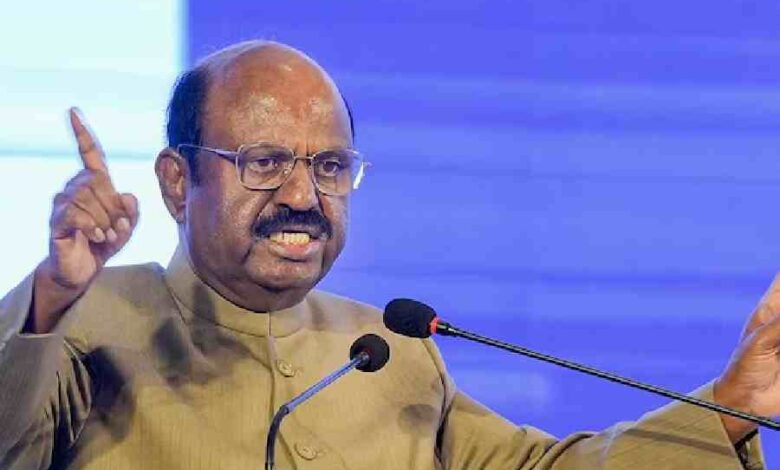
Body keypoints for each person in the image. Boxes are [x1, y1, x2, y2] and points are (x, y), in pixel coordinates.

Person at [0, 40, 777, 469]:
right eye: (265, 162)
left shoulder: (392, 349)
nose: (302, 194)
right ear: (179, 181)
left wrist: (728, 406)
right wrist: (50, 297)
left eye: (330, 167)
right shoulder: (83, 318)